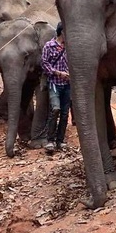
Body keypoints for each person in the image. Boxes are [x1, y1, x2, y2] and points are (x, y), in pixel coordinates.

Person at [41, 22, 70, 152]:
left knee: (65, 113)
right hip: (54, 82)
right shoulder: (49, 46)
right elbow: (44, 64)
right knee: (55, 109)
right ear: (62, 32)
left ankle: (60, 141)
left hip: (67, 84)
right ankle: (50, 140)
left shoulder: (70, 46)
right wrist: (58, 73)